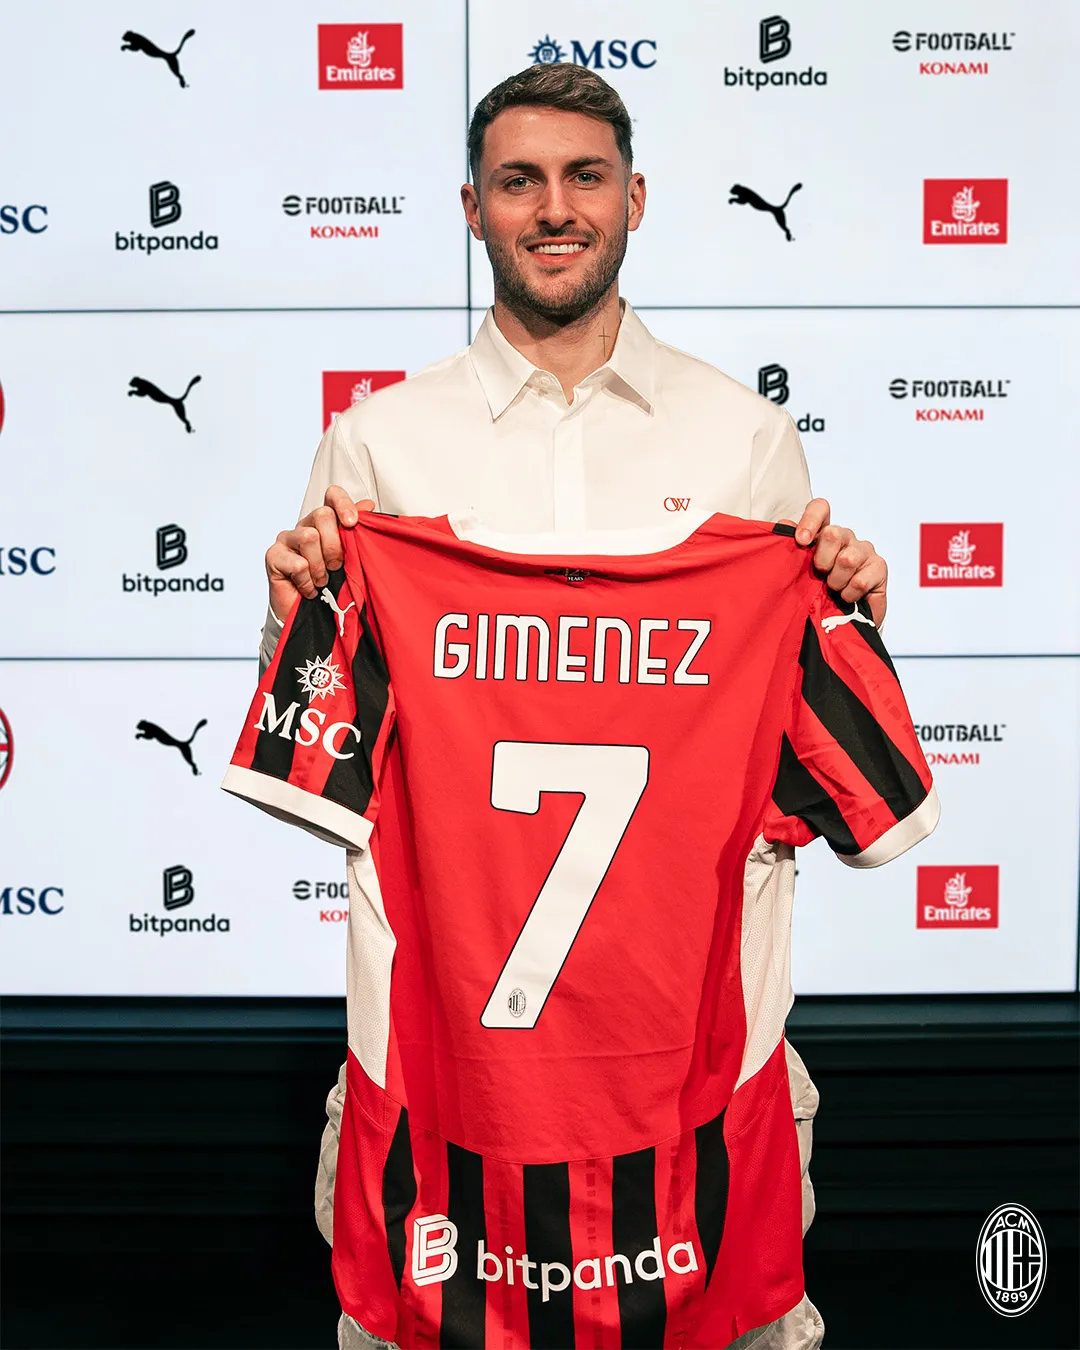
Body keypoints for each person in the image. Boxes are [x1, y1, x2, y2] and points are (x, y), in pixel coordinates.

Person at [260, 64, 887, 1350]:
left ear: (636, 198)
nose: (556, 207)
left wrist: (851, 615)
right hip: (446, 1085)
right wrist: (290, 618)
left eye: (585, 176)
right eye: (521, 181)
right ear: (473, 208)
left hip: (702, 1076)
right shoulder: (379, 446)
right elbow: (326, 753)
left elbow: (787, 730)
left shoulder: (746, 440)